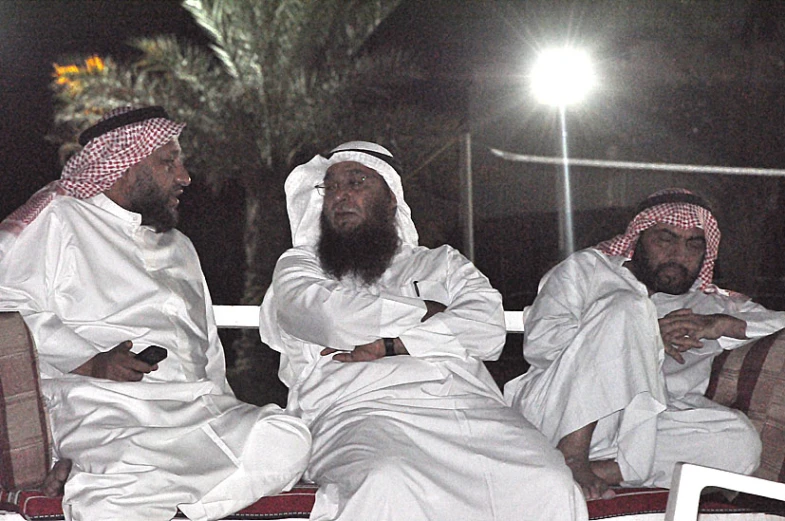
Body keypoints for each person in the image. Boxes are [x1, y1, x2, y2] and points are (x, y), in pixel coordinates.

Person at [0, 106, 311, 521]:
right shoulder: (62, 219)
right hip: (105, 410)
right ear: (125, 167)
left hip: (195, 409)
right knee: (131, 467)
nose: (184, 176)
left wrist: (225, 405)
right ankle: (121, 489)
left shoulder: (179, 246)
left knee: (286, 437)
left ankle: (147, 501)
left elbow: (208, 351)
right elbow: (8, 309)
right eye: (168, 162)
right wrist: (93, 360)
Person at [259, 141, 588, 521]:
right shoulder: (301, 265)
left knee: (548, 482)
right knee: (386, 482)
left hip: (468, 407)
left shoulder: (440, 262)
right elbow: (332, 319)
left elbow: (487, 329)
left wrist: (392, 344)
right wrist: (430, 312)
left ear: (390, 201)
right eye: (331, 187)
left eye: (357, 182)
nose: (340, 196)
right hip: (358, 410)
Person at [504, 188, 785, 500]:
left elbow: (779, 321)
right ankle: (572, 455)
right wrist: (641, 337)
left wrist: (720, 324)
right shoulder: (588, 270)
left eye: (694, 244)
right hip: (558, 411)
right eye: (665, 238)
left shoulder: (710, 304)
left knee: (740, 443)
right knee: (629, 308)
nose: (680, 254)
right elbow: (542, 345)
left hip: (643, 434)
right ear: (637, 239)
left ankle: (599, 471)